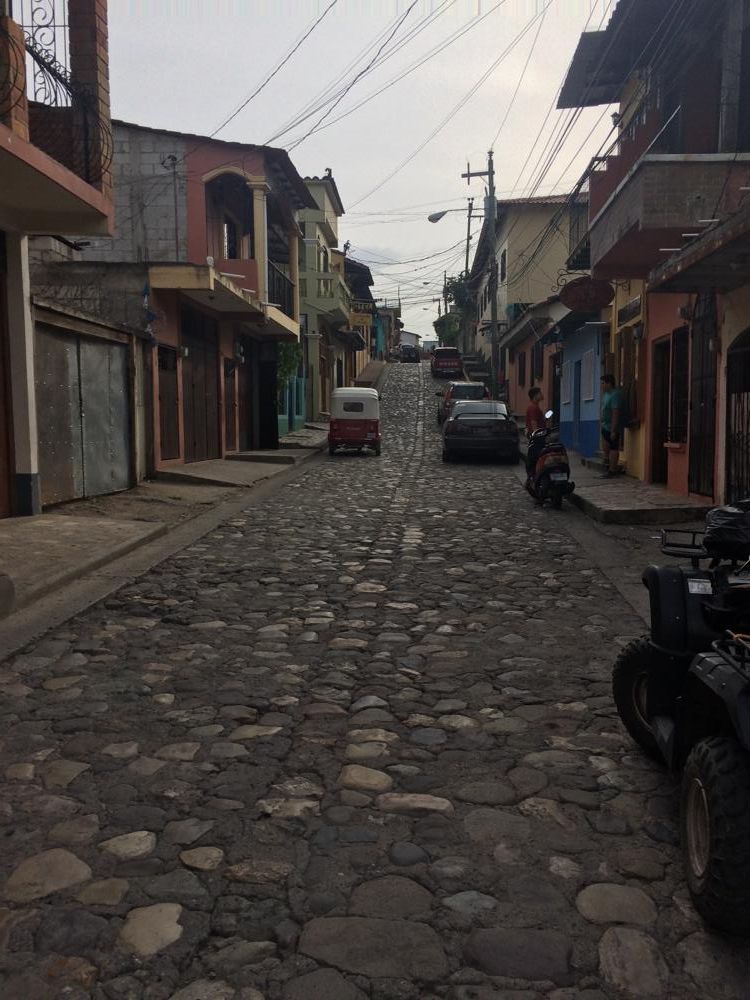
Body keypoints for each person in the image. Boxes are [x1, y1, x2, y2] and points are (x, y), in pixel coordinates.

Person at [601, 374, 625, 477]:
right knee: (606, 447)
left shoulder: (615, 395)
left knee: (613, 447)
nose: (602, 386)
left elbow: (615, 412)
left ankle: (613, 470)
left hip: (612, 426)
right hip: (605, 425)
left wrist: (613, 430)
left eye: (603, 383)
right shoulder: (606, 394)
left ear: (609, 383)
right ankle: (608, 466)